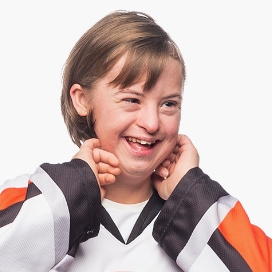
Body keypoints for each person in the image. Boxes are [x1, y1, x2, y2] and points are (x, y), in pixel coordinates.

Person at [0, 10, 271, 272]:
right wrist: (71, 192)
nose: (151, 123)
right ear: (82, 99)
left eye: (168, 104)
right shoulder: (31, 199)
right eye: (131, 100)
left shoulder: (208, 215)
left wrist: (191, 197)